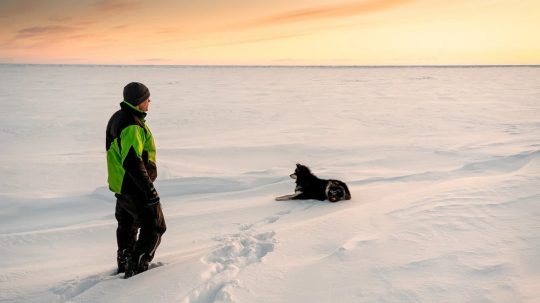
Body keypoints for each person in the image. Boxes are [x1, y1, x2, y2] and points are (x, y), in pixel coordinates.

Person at [105, 82, 166, 278]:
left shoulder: (118, 117)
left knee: (127, 225)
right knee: (155, 226)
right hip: (134, 186)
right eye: (147, 98)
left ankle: (125, 263)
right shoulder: (132, 125)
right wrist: (149, 190)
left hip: (122, 185)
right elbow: (132, 160)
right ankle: (137, 271)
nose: (150, 102)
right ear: (140, 101)